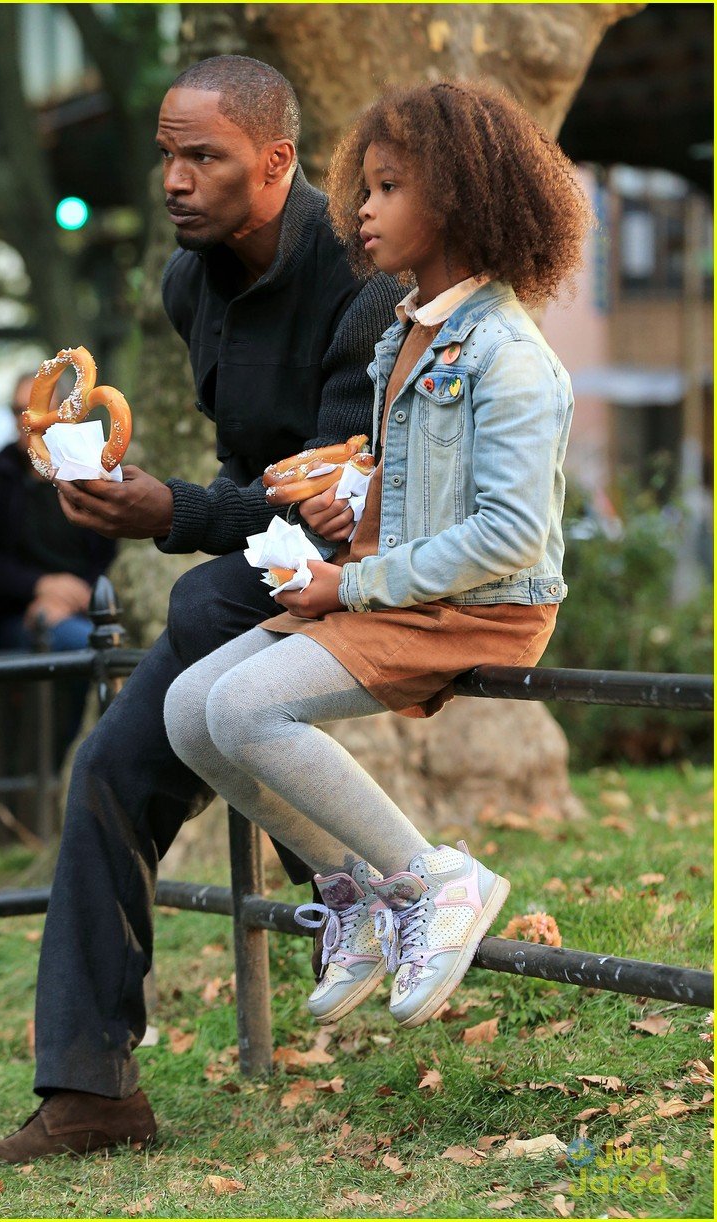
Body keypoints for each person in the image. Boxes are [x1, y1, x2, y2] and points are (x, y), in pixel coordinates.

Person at [0, 56, 402, 1165]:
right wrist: (128, 491)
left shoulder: (363, 271)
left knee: (193, 608)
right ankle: (91, 1089)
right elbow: (245, 469)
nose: (174, 179)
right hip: (266, 561)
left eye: (203, 156)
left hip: (378, 554)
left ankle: (362, 891)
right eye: (167, 153)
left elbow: (338, 488)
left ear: (276, 160)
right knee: (109, 769)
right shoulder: (183, 284)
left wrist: (178, 509)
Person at [163, 82, 590, 1032]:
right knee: (190, 710)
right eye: (366, 184)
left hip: (476, 606)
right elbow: (417, 483)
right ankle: (357, 896)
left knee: (242, 703)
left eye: (388, 186)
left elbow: (510, 534)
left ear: (459, 200)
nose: (359, 206)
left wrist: (346, 581)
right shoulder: (408, 333)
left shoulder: (508, 355)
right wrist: (352, 494)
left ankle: (433, 881)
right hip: (397, 592)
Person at [0, 373, 117, 743]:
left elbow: (112, 552)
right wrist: (39, 588)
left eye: (38, 409)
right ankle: (70, 757)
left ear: (64, 413)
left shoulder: (87, 473)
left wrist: (79, 595)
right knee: (85, 646)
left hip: (88, 609)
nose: (27, 421)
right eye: (17, 411)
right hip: (13, 618)